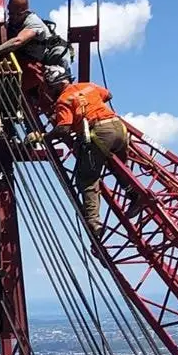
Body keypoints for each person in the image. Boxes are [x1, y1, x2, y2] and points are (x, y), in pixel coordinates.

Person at [48, 81, 132, 239]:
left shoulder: (64, 99)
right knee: (118, 167)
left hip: (99, 133)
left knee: (87, 178)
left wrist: (46, 136)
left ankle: (94, 223)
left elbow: (63, 128)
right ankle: (134, 195)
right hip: (119, 128)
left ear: (56, 86)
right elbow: (108, 94)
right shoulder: (88, 85)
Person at [0, 0, 72, 91]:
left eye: (18, 14)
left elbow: (18, 41)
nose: (13, 17)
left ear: (25, 12)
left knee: (62, 82)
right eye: (11, 13)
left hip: (52, 56)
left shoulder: (33, 23)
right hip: (34, 57)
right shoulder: (11, 25)